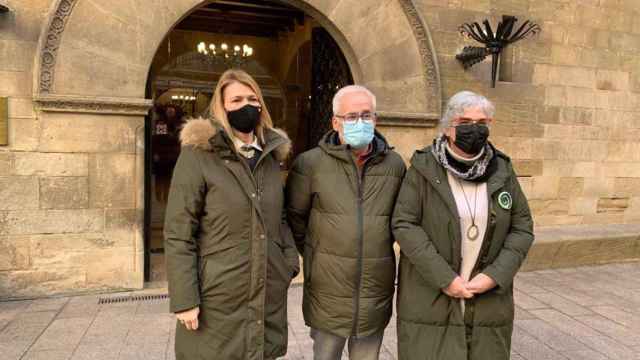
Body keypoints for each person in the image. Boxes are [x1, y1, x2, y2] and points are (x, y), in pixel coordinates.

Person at [164, 69, 300, 360]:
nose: (246, 105)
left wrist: (287, 262)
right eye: (236, 100)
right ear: (221, 107)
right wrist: (185, 298)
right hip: (218, 293)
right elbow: (179, 231)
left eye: (252, 98)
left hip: (266, 288)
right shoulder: (199, 155)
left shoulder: (269, 156)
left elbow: (280, 218)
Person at [392, 91, 534, 360]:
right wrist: (446, 279)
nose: (474, 129)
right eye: (465, 121)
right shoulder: (423, 168)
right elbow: (405, 224)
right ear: (448, 127)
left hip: (488, 299)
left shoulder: (502, 169)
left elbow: (522, 227)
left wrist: (493, 276)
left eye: (482, 123)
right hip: (431, 296)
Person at [286, 85, 406, 360]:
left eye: (366, 115)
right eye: (351, 116)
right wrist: (317, 254)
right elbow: (295, 218)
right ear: (335, 121)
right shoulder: (310, 164)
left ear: (376, 119)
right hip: (328, 289)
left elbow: (401, 220)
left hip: (375, 288)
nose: (360, 122)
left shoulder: (395, 166)